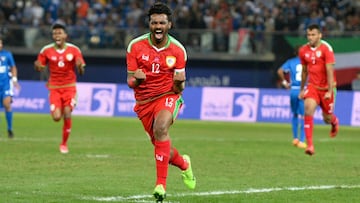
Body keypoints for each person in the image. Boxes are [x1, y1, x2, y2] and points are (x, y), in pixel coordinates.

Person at [126, 2, 196, 202]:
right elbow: (130, 81)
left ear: (169, 25)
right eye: (154, 22)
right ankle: (184, 164)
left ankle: (160, 186)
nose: (158, 26)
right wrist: (137, 80)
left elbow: (179, 87)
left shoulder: (178, 50)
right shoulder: (135, 46)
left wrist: (180, 85)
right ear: (149, 24)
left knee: (161, 128)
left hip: (167, 96)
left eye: (162, 23)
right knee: (159, 143)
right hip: (143, 102)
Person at [34, 23, 86, 154]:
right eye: (54, 33)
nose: (57, 35)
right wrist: (38, 66)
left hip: (69, 87)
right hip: (54, 88)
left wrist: (80, 67)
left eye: (59, 33)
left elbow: (81, 71)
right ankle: (60, 108)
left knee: (67, 113)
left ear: (65, 35)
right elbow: (39, 67)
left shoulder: (74, 50)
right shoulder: (46, 50)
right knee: (57, 118)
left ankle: (64, 144)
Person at [298, 24, 339, 156]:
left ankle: (334, 122)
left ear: (320, 35)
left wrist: (329, 90)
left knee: (326, 118)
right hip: (313, 86)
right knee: (308, 108)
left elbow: (329, 70)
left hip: (327, 87)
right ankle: (310, 145)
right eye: (308, 35)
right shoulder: (303, 50)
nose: (310, 37)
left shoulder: (327, 49)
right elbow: (304, 71)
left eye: (313, 34)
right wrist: (302, 89)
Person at [277, 46, 306, 149]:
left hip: (293, 89)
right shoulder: (308, 62)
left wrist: (285, 82)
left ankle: (295, 138)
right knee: (304, 116)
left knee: (294, 114)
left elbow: (280, 71)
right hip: (303, 89)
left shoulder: (291, 61)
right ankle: (302, 140)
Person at [0, 37, 20, 138]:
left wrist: (15, 80)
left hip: (5, 84)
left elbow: (13, 67)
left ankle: (10, 129)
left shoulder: (7, 55)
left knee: (7, 104)